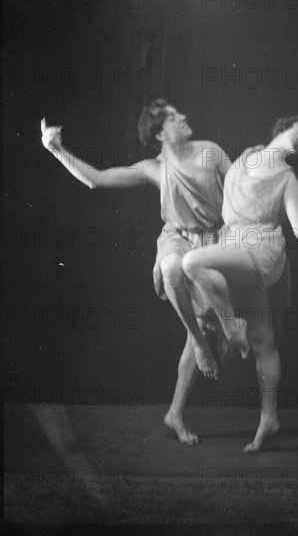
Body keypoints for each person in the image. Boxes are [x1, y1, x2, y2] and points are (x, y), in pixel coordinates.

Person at [40, 99, 231, 445]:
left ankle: (174, 412)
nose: (184, 116)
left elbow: (236, 195)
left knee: (206, 325)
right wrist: (56, 150)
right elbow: (96, 180)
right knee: (172, 267)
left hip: (213, 243)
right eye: (174, 117)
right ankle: (204, 346)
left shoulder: (211, 152)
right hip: (177, 241)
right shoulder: (153, 168)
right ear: (160, 132)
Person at [182, 115, 298, 452]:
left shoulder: (289, 179)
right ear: (286, 125)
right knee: (264, 340)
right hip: (231, 243)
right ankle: (270, 417)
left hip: (259, 249)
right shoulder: (248, 154)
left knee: (193, 262)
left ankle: (230, 327)